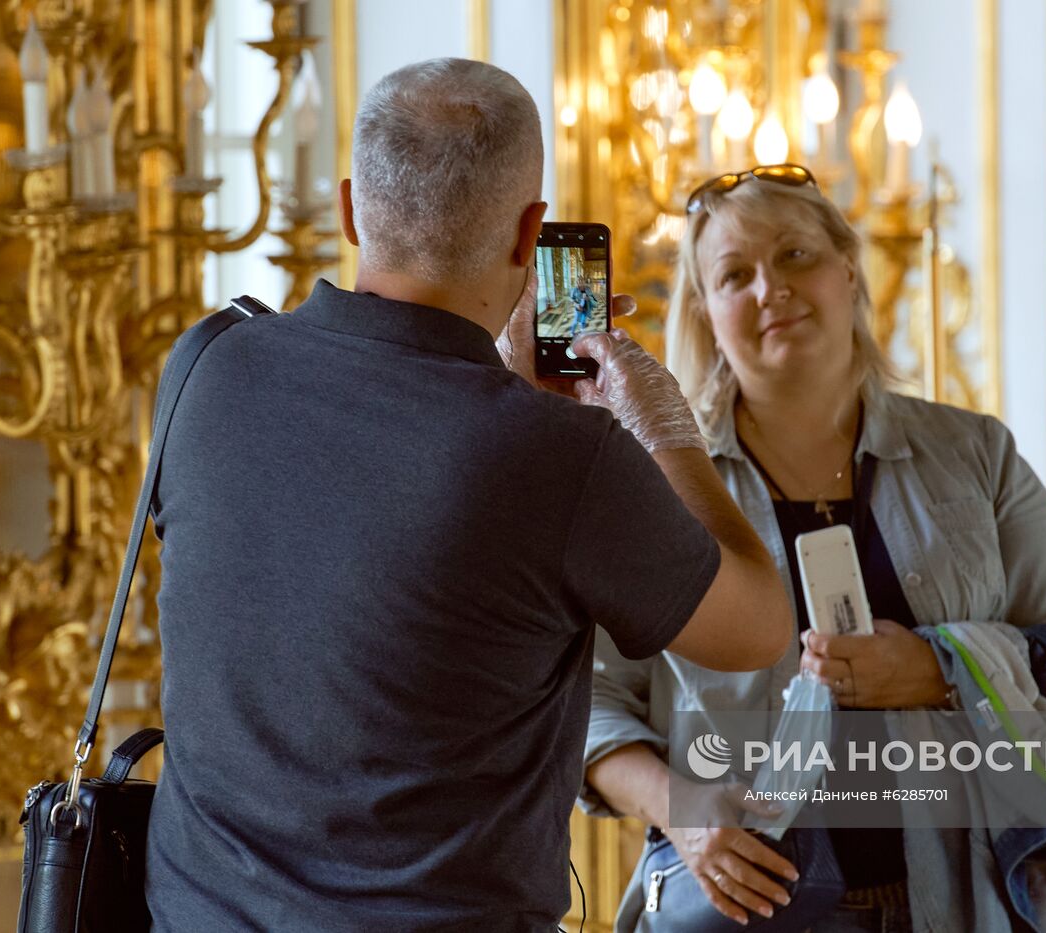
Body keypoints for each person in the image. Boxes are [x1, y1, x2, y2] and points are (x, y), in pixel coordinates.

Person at [144, 61, 792, 932]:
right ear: (531, 233)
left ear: (348, 209)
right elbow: (754, 627)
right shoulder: (558, 456)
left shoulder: (206, 366)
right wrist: (664, 428)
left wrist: (518, 415)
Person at [581, 166, 1046, 932]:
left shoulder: (975, 453)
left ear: (849, 267)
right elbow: (586, 700)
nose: (770, 289)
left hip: (973, 906)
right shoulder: (656, 479)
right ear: (704, 311)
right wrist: (684, 810)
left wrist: (941, 668)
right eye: (736, 274)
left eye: (796, 256)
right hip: (747, 913)